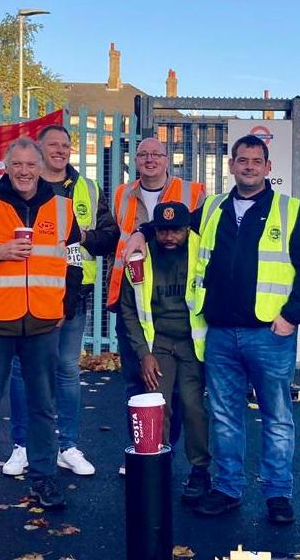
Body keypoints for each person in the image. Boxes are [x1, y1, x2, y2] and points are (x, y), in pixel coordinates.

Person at [129, 134, 300, 524]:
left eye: (256, 161)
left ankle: (278, 494)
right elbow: (174, 224)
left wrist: (290, 317)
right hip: (218, 334)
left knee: (278, 416)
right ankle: (228, 488)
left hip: (269, 333)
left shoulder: (292, 210)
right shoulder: (213, 207)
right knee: (225, 415)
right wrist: (143, 232)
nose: (248, 167)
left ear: (268, 168)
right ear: (231, 165)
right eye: (242, 160)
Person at [0, 137, 82, 508]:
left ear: (41, 168)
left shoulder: (62, 209)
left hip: (42, 322)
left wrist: (64, 308)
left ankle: (43, 478)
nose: (24, 172)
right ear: (7, 168)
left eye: (30, 165)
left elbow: (74, 263)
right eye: (17, 165)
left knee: (42, 404)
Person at [2, 125, 119, 478]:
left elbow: (110, 235)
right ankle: (22, 446)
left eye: (65, 145)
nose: (60, 150)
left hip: (74, 294)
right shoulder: (20, 188)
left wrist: (82, 235)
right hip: (28, 293)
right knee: (23, 370)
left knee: (67, 370)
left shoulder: (87, 188)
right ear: (38, 150)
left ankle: (67, 445)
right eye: (52, 145)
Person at [107, 137, 204, 473]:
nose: (149, 160)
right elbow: (110, 235)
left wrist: (144, 231)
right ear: (135, 160)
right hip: (141, 309)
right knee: (141, 387)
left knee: (186, 400)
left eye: (156, 154)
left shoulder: (194, 193)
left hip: (185, 327)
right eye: (143, 154)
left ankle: (177, 456)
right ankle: (145, 448)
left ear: (168, 160)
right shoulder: (121, 194)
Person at [119, 202, 211, 504]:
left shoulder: (202, 249)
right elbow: (129, 309)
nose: (170, 237)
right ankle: (156, 466)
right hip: (158, 344)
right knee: (157, 406)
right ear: (153, 231)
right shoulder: (139, 256)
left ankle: (200, 470)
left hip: (192, 342)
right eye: (163, 231)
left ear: (187, 229)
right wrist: (144, 353)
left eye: (176, 230)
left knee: (194, 407)